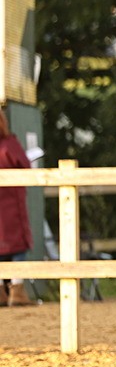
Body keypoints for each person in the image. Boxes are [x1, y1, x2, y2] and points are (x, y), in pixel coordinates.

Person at [0, 109, 33, 307]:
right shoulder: (9, 144)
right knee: (18, 247)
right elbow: (25, 165)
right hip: (11, 204)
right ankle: (17, 291)